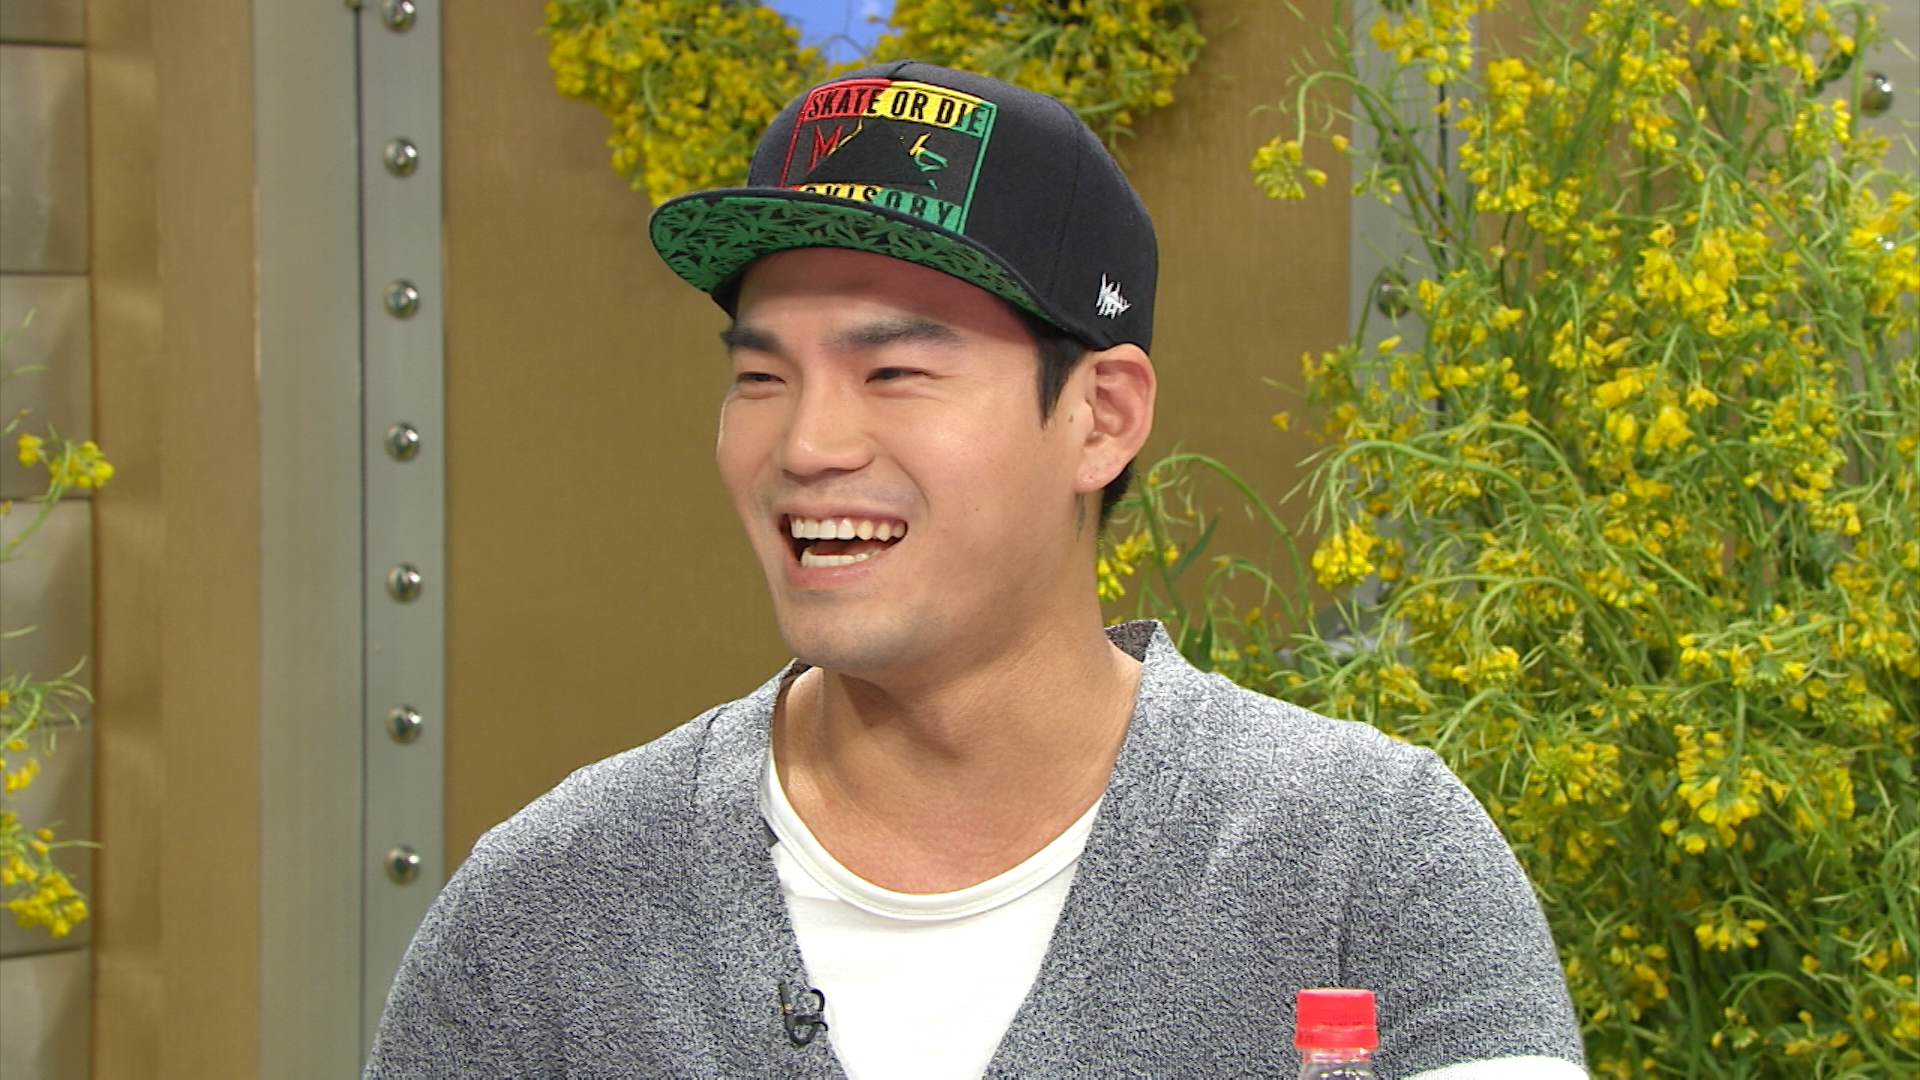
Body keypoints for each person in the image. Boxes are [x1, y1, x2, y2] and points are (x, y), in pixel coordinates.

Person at [366, 61, 1588, 1079]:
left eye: (894, 372)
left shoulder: (1370, 866)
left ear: (1102, 417)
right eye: (761, 375)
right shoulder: (549, 914)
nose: (807, 445)